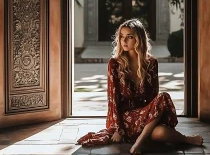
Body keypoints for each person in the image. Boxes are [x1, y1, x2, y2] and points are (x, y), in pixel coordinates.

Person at [77, 18, 203, 154]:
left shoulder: (151, 63)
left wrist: (154, 117)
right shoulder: (115, 64)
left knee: (161, 121)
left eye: (129, 37)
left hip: (146, 117)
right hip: (126, 120)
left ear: (138, 39)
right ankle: (145, 141)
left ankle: (152, 141)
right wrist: (118, 129)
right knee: (160, 127)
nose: (124, 41)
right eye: (121, 36)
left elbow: (154, 98)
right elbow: (113, 100)